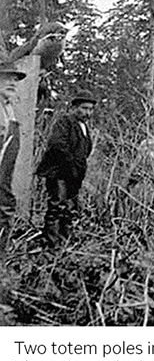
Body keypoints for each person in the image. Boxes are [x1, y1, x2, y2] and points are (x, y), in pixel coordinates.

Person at [36, 89, 96, 247]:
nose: (87, 112)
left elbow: (85, 151)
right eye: (84, 108)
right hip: (59, 172)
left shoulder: (84, 127)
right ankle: (51, 244)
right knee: (57, 206)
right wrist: (71, 164)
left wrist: (78, 169)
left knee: (69, 208)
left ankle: (65, 242)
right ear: (74, 107)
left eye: (90, 109)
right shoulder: (65, 121)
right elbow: (57, 145)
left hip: (73, 174)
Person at [0, 63, 26, 255]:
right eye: (7, 77)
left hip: (3, 176)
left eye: (15, 79)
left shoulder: (10, 109)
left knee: (5, 206)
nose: (12, 82)